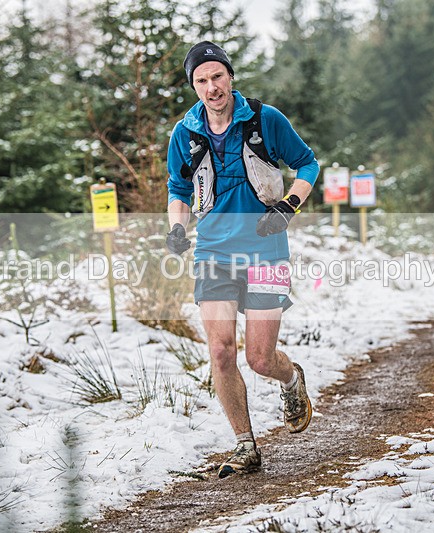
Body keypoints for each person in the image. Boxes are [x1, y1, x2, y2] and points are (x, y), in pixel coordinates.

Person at [165, 41, 320, 478]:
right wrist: (177, 228)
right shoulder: (185, 133)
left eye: (217, 76)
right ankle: (245, 444)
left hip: (266, 249)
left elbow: (307, 165)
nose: (211, 87)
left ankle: (291, 379)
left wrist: (288, 206)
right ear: (194, 86)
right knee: (220, 351)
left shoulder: (265, 119)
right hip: (213, 252)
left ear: (230, 76)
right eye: (201, 80)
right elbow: (178, 188)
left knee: (260, 359)